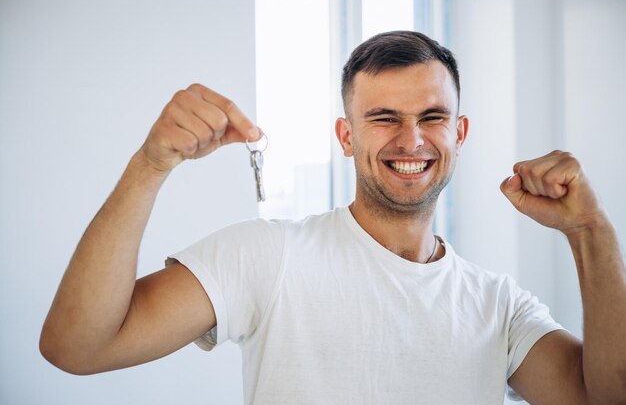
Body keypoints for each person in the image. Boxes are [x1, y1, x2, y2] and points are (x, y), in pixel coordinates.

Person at [40, 31, 626, 405]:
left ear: (460, 133)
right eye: (383, 118)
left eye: (432, 116)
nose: (412, 139)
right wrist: (150, 165)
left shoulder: (499, 306)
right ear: (346, 137)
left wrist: (591, 232)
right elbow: (78, 348)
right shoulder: (266, 259)